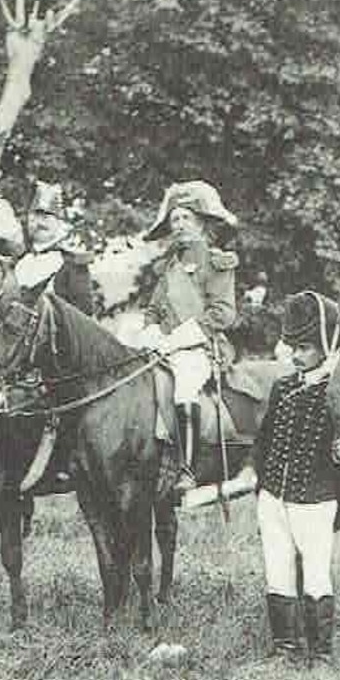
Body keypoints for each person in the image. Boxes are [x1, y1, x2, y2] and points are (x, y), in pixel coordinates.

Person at [254, 291, 340, 667]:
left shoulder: (338, 394)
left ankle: (320, 653)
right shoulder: (283, 387)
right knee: (277, 570)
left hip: (316, 498)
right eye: (292, 346)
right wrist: (261, 486)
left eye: (304, 347)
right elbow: (264, 441)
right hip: (274, 496)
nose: (295, 354)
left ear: (325, 346)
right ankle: (285, 647)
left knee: (317, 575)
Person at [123, 179, 246, 499]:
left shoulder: (218, 262)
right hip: (163, 347)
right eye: (174, 219)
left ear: (202, 223)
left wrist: (178, 338)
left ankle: (187, 468)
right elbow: (152, 310)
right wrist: (149, 332)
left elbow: (223, 313)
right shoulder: (168, 268)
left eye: (185, 218)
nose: (178, 226)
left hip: (201, 348)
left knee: (185, 388)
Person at [10, 180, 96, 315]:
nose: (40, 222)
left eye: (47, 217)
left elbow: (83, 317)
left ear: (59, 222)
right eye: (35, 216)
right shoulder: (17, 262)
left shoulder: (72, 264)